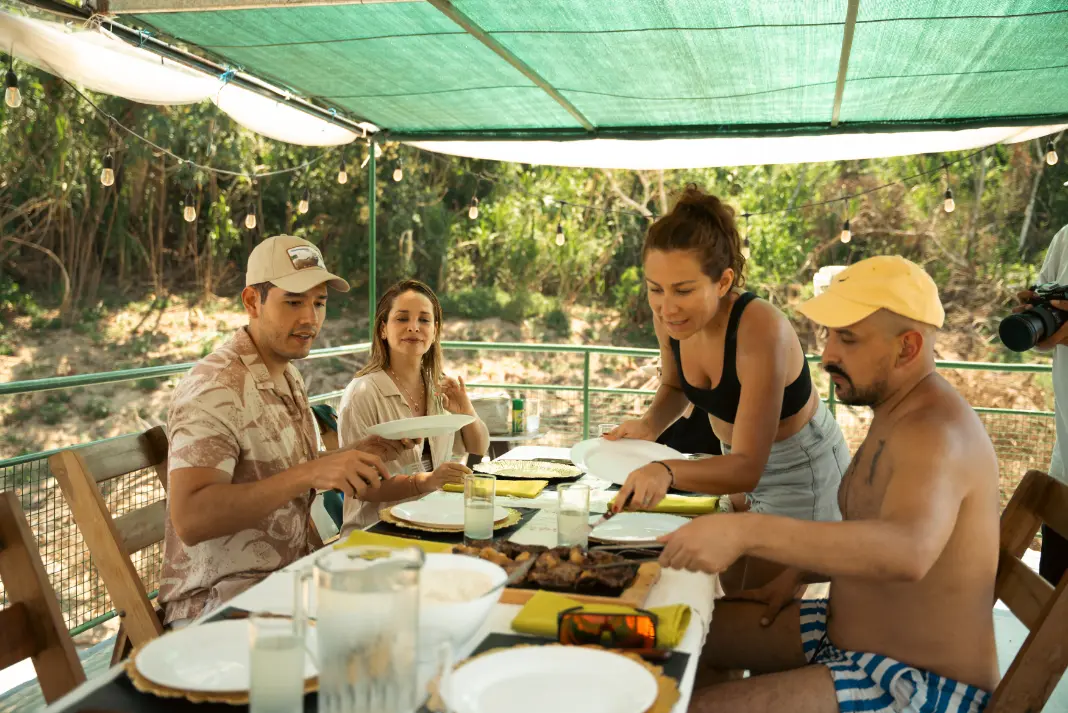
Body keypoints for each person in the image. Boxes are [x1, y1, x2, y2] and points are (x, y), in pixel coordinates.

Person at [659, 256, 1000, 713]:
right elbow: (872, 524)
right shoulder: (898, 411)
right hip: (846, 634)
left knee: (692, 707)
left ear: (907, 347)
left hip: (914, 682)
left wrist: (745, 531)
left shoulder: (936, 431)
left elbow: (907, 550)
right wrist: (798, 573)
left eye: (848, 338)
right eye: (829, 336)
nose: (827, 355)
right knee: (674, 636)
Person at [159, 235, 409, 625]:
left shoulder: (287, 375)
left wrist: (355, 453)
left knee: (416, 590)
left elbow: (281, 472)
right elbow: (191, 518)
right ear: (252, 302)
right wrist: (310, 472)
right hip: (222, 605)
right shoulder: (214, 387)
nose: (310, 318)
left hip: (293, 581)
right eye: (294, 301)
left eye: (319, 302)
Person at [606, 186, 848, 547]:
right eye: (655, 289)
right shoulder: (670, 320)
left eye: (683, 291)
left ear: (723, 281)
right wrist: (649, 424)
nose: (666, 307)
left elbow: (749, 467)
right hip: (729, 465)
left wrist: (666, 471)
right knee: (731, 587)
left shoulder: (760, 330)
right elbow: (674, 386)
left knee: (776, 597)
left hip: (799, 471)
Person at [338, 279, 490, 535]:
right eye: (402, 318)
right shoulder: (362, 392)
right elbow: (361, 487)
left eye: (424, 320)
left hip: (433, 522)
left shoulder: (438, 387)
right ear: (383, 329)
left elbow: (479, 448)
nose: (413, 327)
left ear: (435, 330)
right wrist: (427, 482)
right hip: (376, 532)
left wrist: (466, 411)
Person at [1014, 222, 1068, 587]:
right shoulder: (1065, 238)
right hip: (1064, 472)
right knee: (1052, 626)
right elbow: (1046, 338)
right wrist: (1038, 313)